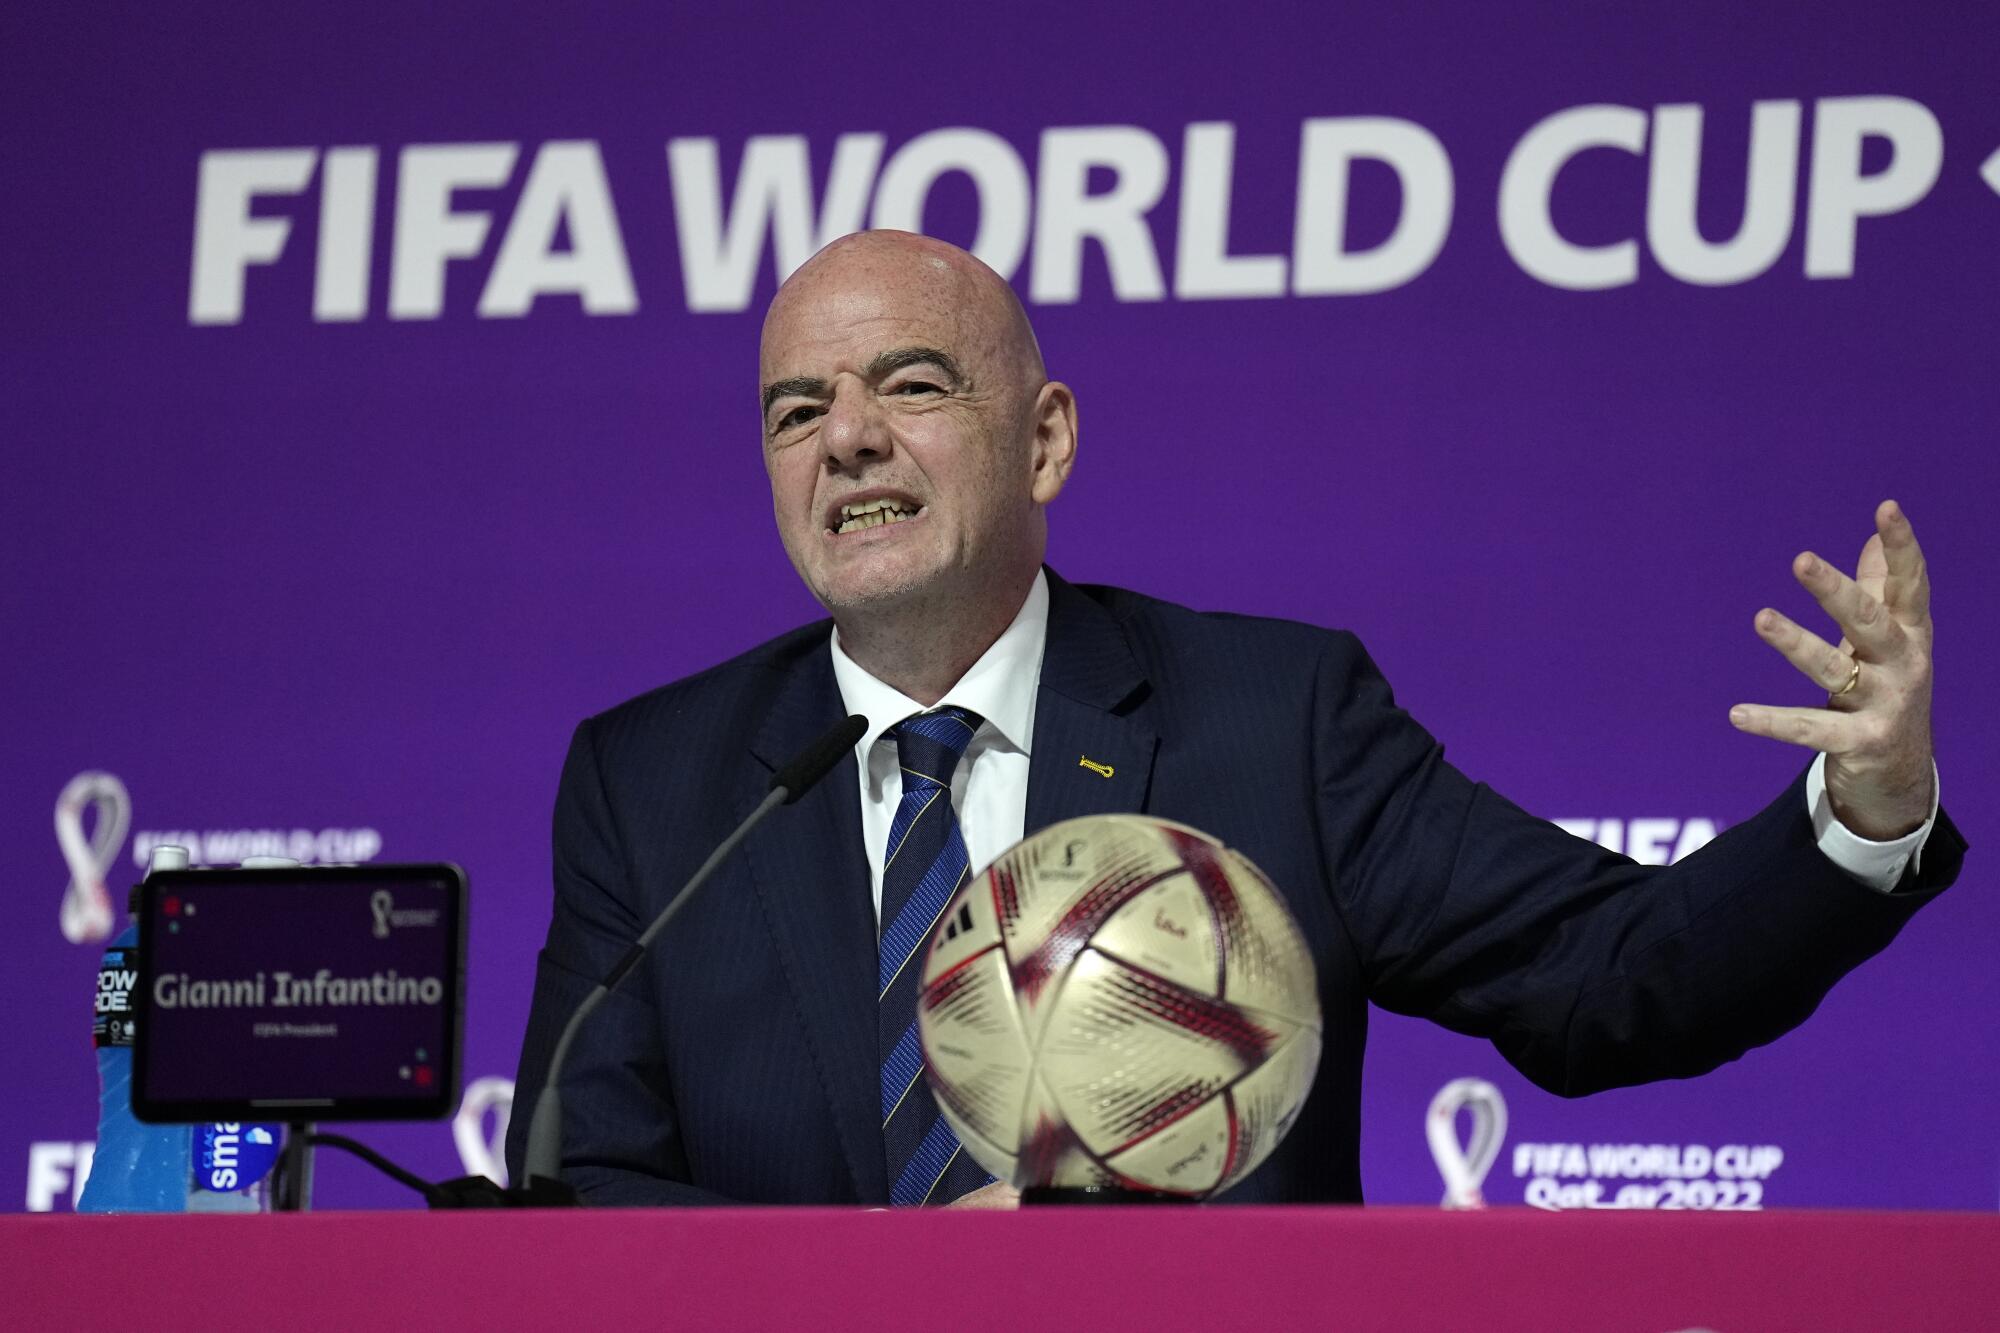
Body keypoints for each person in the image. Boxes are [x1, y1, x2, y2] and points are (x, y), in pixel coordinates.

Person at [507, 230, 1960, 1208]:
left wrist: (1865, 812)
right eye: (794, 409)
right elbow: (584, 1183)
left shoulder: (1276, 720)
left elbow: (1611, 976)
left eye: (912, 384)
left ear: (1047, 438)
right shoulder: (657, 784)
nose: (848, 438)